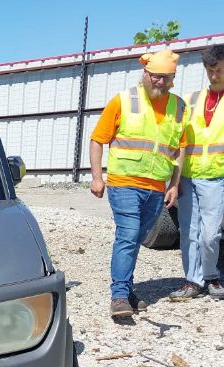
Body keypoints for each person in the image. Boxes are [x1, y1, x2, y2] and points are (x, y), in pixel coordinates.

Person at [89, 50, 188, 318]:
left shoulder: (179, 107)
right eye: (155, 75)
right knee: (128, 234)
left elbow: (179, 148)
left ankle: (127, 288)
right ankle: (119, 296)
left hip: (156, 188)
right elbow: (98, 139)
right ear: (145, 73)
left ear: (173, 79)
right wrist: (97, 177)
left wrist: (173, 184)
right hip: (124, 183)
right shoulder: (123, 100)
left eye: (166, 77)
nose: (160, 81)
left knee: (135, 239)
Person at [169, 44, 224, 300]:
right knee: (188, 232)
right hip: (188, 177)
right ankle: (193, 281)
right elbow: (177, 139)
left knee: (210, 234)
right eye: (210, 70)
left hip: (217, 177)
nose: (214, 75)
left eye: (220, 70)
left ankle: (211, 275)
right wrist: (174, 178)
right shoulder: (190, 100)